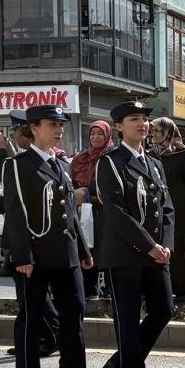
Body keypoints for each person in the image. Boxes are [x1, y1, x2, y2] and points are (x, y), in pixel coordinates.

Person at [1, 104, 94, 368]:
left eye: (61, 124)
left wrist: (81, 247)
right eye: (52, 124)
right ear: (34, 128)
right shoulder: (18, 164)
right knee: (33, 314)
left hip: (65, 252)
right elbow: (15, 213)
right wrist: (22, 256)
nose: (59, 130)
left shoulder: (60, 164)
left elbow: (69, 211)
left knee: (74, 310)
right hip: (36, 254)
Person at [94, 101, 174, 368]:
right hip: (126, 254)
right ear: (119, 126)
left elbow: (167, 207)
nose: (142, 124)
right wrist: (149, 245)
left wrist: (165, 243)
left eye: (145, 119)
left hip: (156, 253)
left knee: (164, 309)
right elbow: (115, 212)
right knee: (127, 320)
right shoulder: (111, 162)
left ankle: (121, 362)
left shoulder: (154, 162)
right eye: (134, 119)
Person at [151, 118, 185, 300]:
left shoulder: (182, 153)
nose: (154, 134)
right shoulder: (152, 155)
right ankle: (165, 289)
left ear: (168, 131)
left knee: (180, 251)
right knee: (162, 247)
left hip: (181, 210)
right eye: (153, 131)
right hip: (161, 208)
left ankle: (183, 290)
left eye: (157, 131)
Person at [71, 119, 113, 299]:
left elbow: (109, 185)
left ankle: (110, 291)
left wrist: (86, 193)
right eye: (93, 133)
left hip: (105, 214)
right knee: (86, 248)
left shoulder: (111, 156)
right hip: (83, 213)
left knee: (107, 251)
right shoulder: (81, 158)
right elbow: (72, 184)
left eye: (100, 134)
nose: (96, 137)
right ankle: (90, 291)